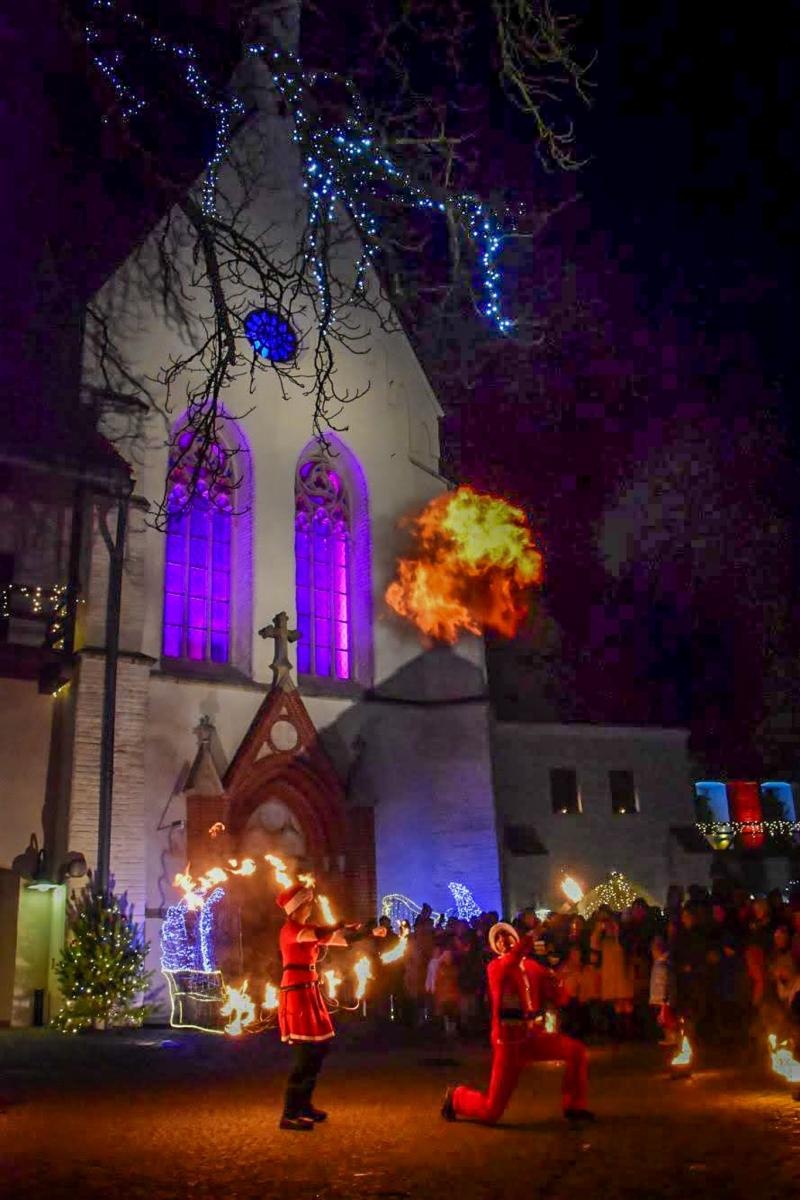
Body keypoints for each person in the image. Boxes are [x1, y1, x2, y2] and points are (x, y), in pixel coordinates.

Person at [441, 921, 593, 1125]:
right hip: (509, 1045)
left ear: (515, 938)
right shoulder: (496, 967)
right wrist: (533, 936)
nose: (504, 941)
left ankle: (575, 1106)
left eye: (507, 936)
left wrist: (558, 976)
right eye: (498, 939)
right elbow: (511, 962)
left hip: (532, 1038)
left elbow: (559, 997)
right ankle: (457, 1097)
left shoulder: (532, 966)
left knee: (576, 1051)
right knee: (491, 1111)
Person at [276, 880, 386, 1131]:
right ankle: (290, 1114)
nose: (311, 906)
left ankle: (304, 1106)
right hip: (296, 992)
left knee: (319, 1049)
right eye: (307, 903)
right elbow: (318, 934)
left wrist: (370, 932)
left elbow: (342, 941)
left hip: (310, 990)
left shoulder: (307, 928)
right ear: (297, 907)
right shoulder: (290, 929)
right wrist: (338, 924)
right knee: (305, 1054)